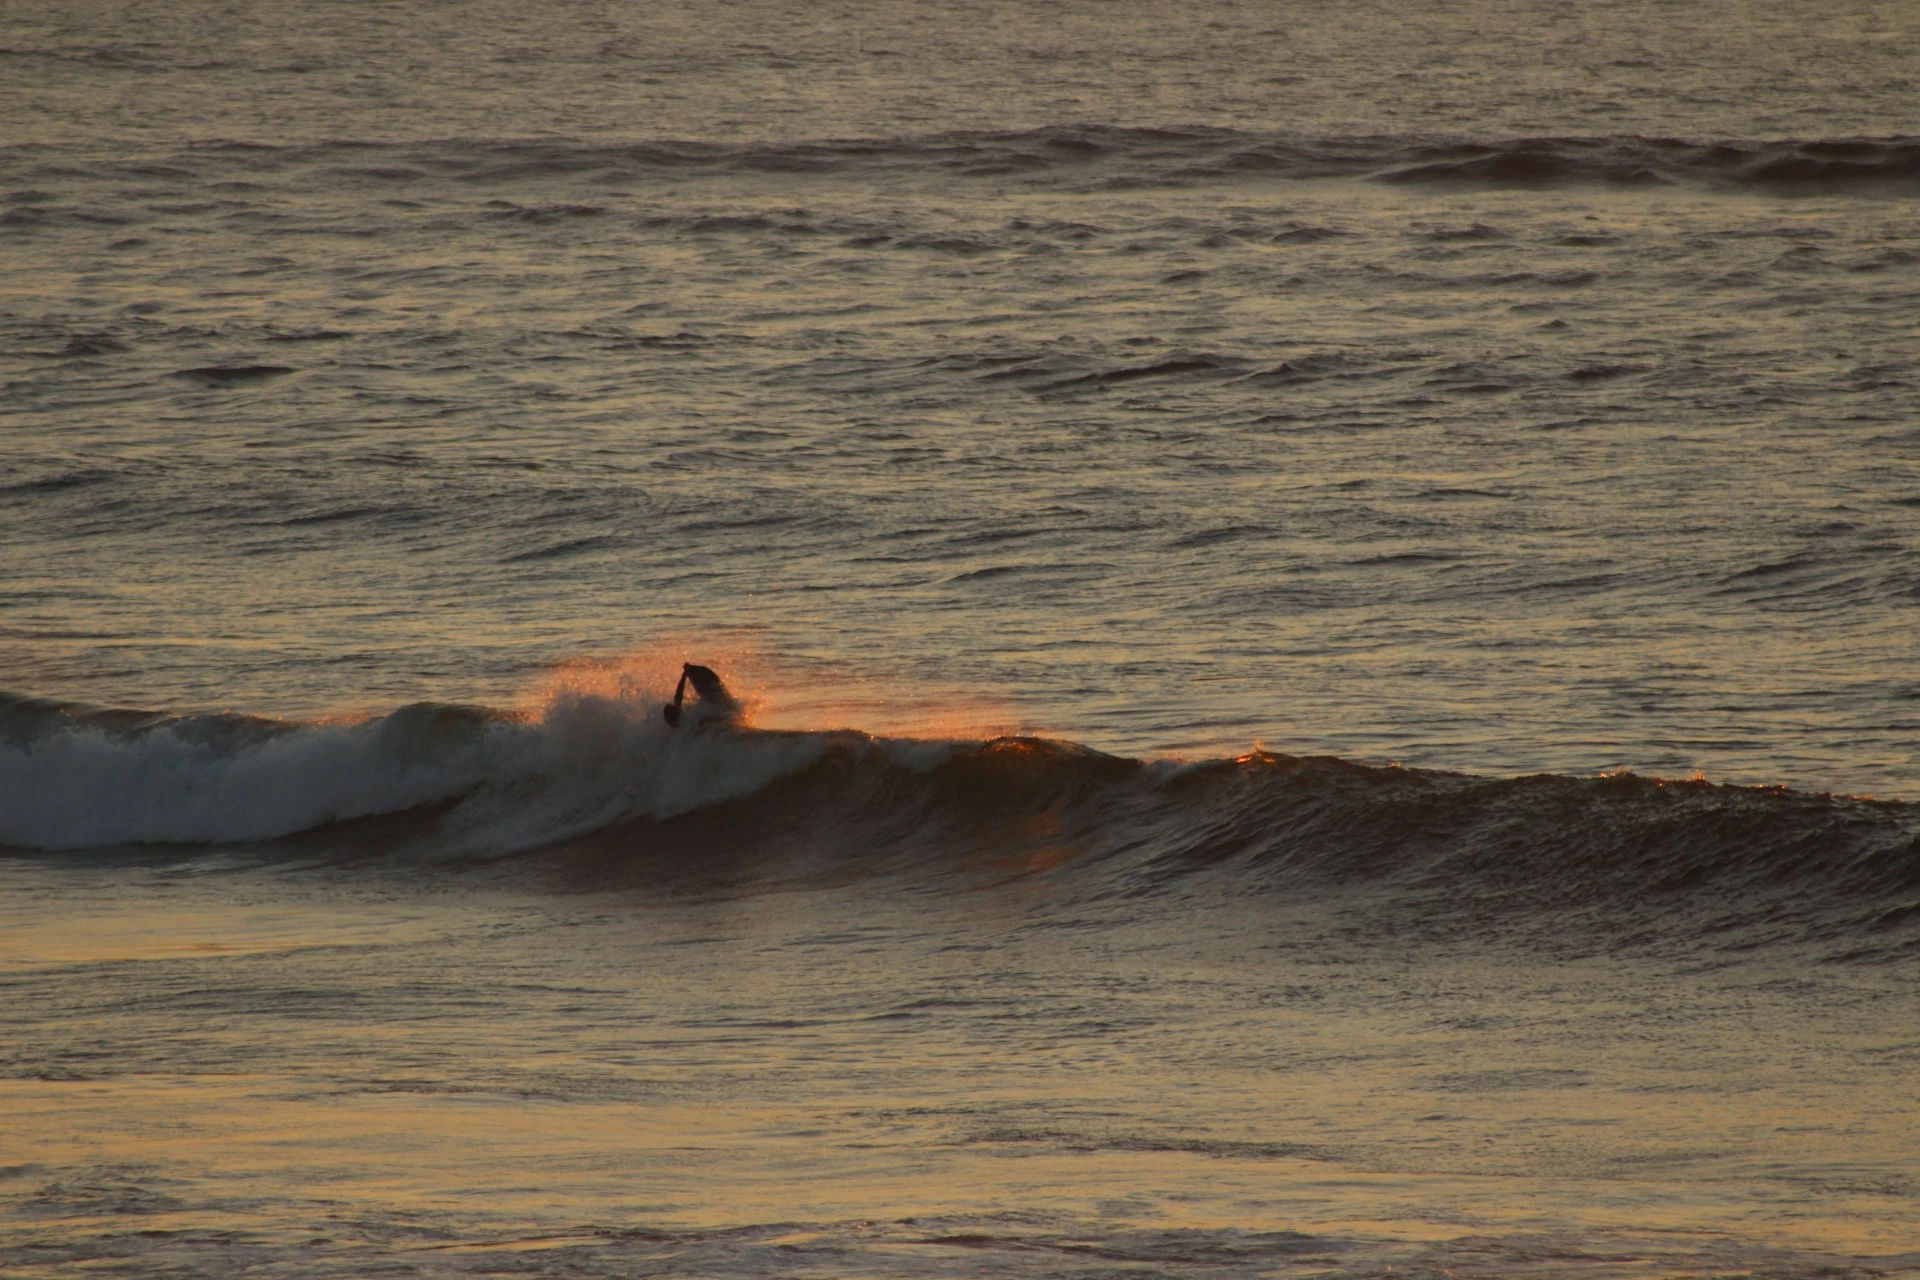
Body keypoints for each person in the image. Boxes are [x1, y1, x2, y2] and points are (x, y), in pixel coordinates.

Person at [662, 662, 739, 726]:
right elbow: (704, 721)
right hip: (714, 717)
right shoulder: (687, 723)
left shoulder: (682, 718)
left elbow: (679, 693)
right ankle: (732, 715)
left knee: (723, 706)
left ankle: (731, 714)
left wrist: (684, 676)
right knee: (725, 709)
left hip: (712, 708)